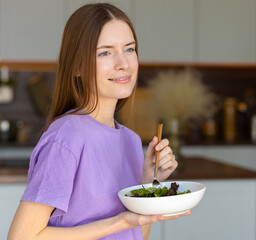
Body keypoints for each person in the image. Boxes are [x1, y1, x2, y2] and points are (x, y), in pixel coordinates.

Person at [8, 3, 190, 240]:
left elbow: (136, 235)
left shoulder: (132, 141)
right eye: (105, 52)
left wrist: (147, 183)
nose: (123, 63)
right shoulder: (67, 137)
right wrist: (120, 220)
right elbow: (22, 237)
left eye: (130, 49)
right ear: (77, 67)